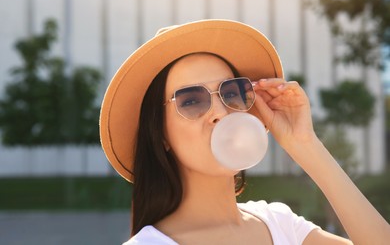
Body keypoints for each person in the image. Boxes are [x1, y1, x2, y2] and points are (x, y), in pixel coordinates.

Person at [100, 20, 390, 244]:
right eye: (191, 100)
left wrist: (306, 144)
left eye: (232, 92)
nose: (220, 112)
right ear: (161, 134)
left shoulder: (280, 224)